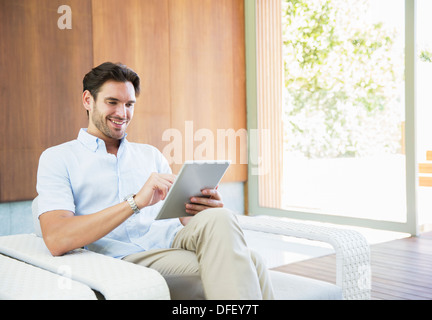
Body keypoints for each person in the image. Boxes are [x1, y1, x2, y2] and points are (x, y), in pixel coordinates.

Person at [36, 62, 274, 300]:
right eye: (112, 102)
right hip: (122, 258)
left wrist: (202, 209)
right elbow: (57, 239)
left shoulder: (150, 155)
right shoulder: (58, 158)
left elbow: (184, 220)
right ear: (88, 100)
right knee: (252, 263)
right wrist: (135, 202)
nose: (122, 113)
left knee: (220, 217)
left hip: (171, 241)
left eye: (129, 104)